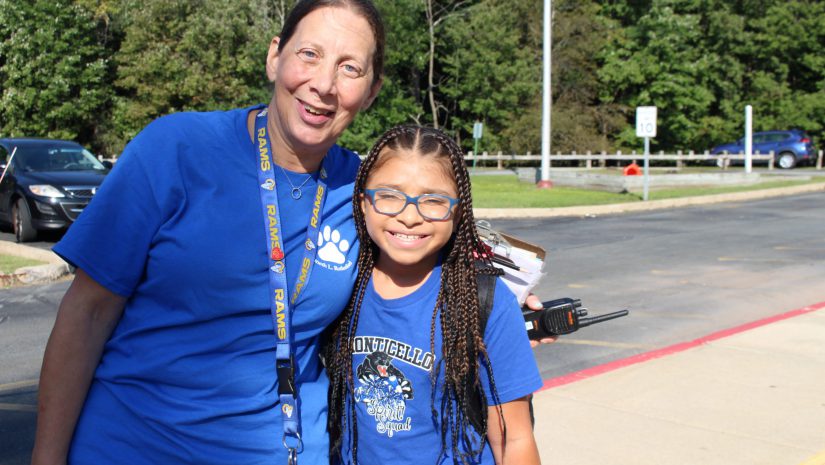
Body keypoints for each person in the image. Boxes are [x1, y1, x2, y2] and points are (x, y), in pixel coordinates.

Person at [31, 1, 551, 464]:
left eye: (350, 68)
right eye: (310, 54)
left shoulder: (360, 185)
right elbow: (87, 313)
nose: (324, 84)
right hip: (134, 445)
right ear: (274, 56)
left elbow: (430, 220)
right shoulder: (175, 149)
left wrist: (501, 293)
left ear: (371, 92)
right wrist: (47, 457)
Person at [325, 125, 542, 465]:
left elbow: (514, 438)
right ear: (363, 201)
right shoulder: (337, 286)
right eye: (389, 196)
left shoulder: (483, 299)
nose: (410, 216)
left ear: (457, 212)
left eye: (434, 201)